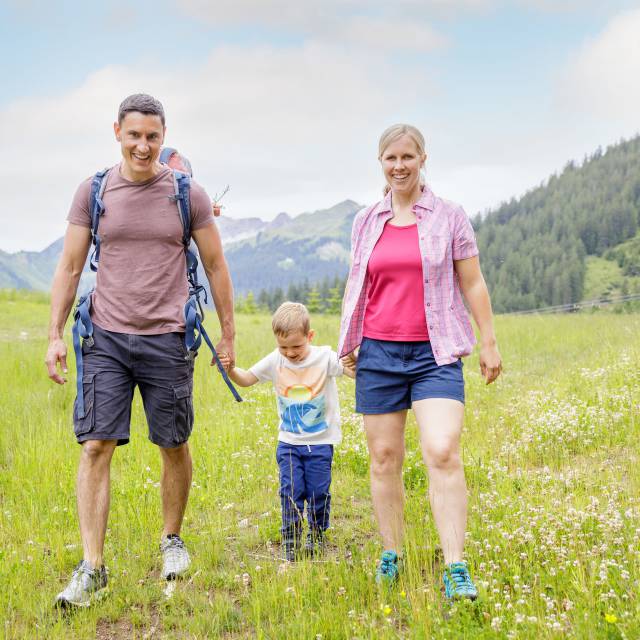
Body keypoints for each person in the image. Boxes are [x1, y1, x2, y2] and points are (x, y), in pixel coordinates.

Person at [45, 93, 236, 608]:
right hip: (105, 337)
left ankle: (172, 539)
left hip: (168, 338)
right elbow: (68, 267)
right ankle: (93, 567)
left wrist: (229, 334)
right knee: (95, 447)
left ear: (163, 134)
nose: (143, 146)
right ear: (117, 132)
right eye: (134, 135)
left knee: (172, 443)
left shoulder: (185, 193)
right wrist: (54, 335)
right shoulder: (94, 191)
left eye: (153, 136)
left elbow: (217, 266)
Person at [338, 124, 502, 599]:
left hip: (436, 353)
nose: (400, 166)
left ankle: (455, 566)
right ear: (380, 163)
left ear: (423, 158)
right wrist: (349, 339)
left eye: (408, 156)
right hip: (378, 353)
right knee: (384, 458)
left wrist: (488, 342)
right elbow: (358, 285)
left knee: (443, 449)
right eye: (391, 158)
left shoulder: (449, 216)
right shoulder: (366, 220)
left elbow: (472, 282)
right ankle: (392, 552)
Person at [220, 302, 355, 561]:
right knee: (290, 490)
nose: (290, 353)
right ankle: (291, 539)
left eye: (297, 346)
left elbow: (349, 369)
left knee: (318, 492)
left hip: (320, 443)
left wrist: (355, 364)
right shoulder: (275, 360)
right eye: (284, 347)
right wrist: (230, 370)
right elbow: (247, 378)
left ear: (310, 336)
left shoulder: (325, 357)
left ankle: (316, 535)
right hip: (289, 443)